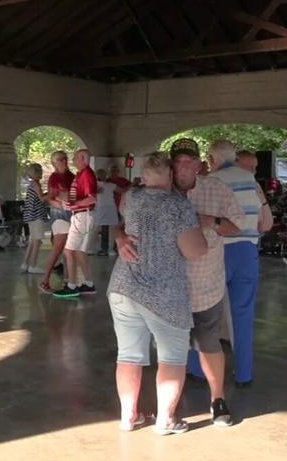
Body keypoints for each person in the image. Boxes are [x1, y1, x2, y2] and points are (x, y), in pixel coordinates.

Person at [110, 152, 207, 435]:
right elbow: (194, 251)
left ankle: (128, 417)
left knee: (128, 356)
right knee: (172, 358)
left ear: (144, 175)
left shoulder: (132, 198)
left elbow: (123, 225)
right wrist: (202, 230)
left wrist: (119, 236)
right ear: (169, 175)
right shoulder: (178, 206)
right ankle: (166, 419)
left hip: (124, 287)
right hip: (164, 292)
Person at [170, 139, 244, 426]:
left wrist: (211, 221)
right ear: (171, 164)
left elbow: (238, 224)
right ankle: (170, 407)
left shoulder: (216, 190)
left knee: (208, 342)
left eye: (190, 162)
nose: (184, 167)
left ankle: (218, 399)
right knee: (171, 349)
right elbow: (128, 220)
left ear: (200, 165)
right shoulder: (159, 190)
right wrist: (120, 237)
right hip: (168, 286)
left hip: (204, 284)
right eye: (179, 162)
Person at [207, 140, 271, 388]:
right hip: (247, 253)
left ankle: (197, 369)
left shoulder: (210, 182)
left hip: (218, 251)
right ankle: (243, 374)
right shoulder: (251, 182)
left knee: (205, 315)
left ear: (213, 158)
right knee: (243, 315)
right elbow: (265, 225)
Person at [54, 148, 98, 299]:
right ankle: (89, 284)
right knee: (79, 252)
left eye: (75, 158)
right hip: (81, 215)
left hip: (82, 216)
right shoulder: (81, 174)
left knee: (68, 251)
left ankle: (71, 285)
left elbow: (92, 198)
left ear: (83, 159)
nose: (72, 161)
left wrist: (74, 204)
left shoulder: (86, 174)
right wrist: (67, 200)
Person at [39, 151, 75, 293]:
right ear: (54, 162)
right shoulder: (55, 177)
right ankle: (44, 280)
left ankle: (67, 279)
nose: (64, 161)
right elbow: (50, 197)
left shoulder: (72, 176)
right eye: (60, 159)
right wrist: (58, 204)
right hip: (59, 215)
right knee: (58, 248)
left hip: (71, 213)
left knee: (68, 249)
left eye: (65, 159)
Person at [21, 163, 48, 273]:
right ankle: (33, 265)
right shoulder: (36, 184)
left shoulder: (31, 184)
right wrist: (52, 194)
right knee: (37, 241)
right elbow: (42, 199)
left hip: (30, 216)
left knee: (32, 240)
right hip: (37, 216)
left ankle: (25, 263)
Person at [94, 169, 119, 257]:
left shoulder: (110, 185)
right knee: (96, 228)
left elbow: (122, 190)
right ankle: (92, 248)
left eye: (103, 174)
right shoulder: (94, 184)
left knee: (112, 229)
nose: (101, 176)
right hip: (100, 208)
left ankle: (110, 249)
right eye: (99, 174)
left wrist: (133, 185)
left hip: (110, 208)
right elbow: (90, 192)